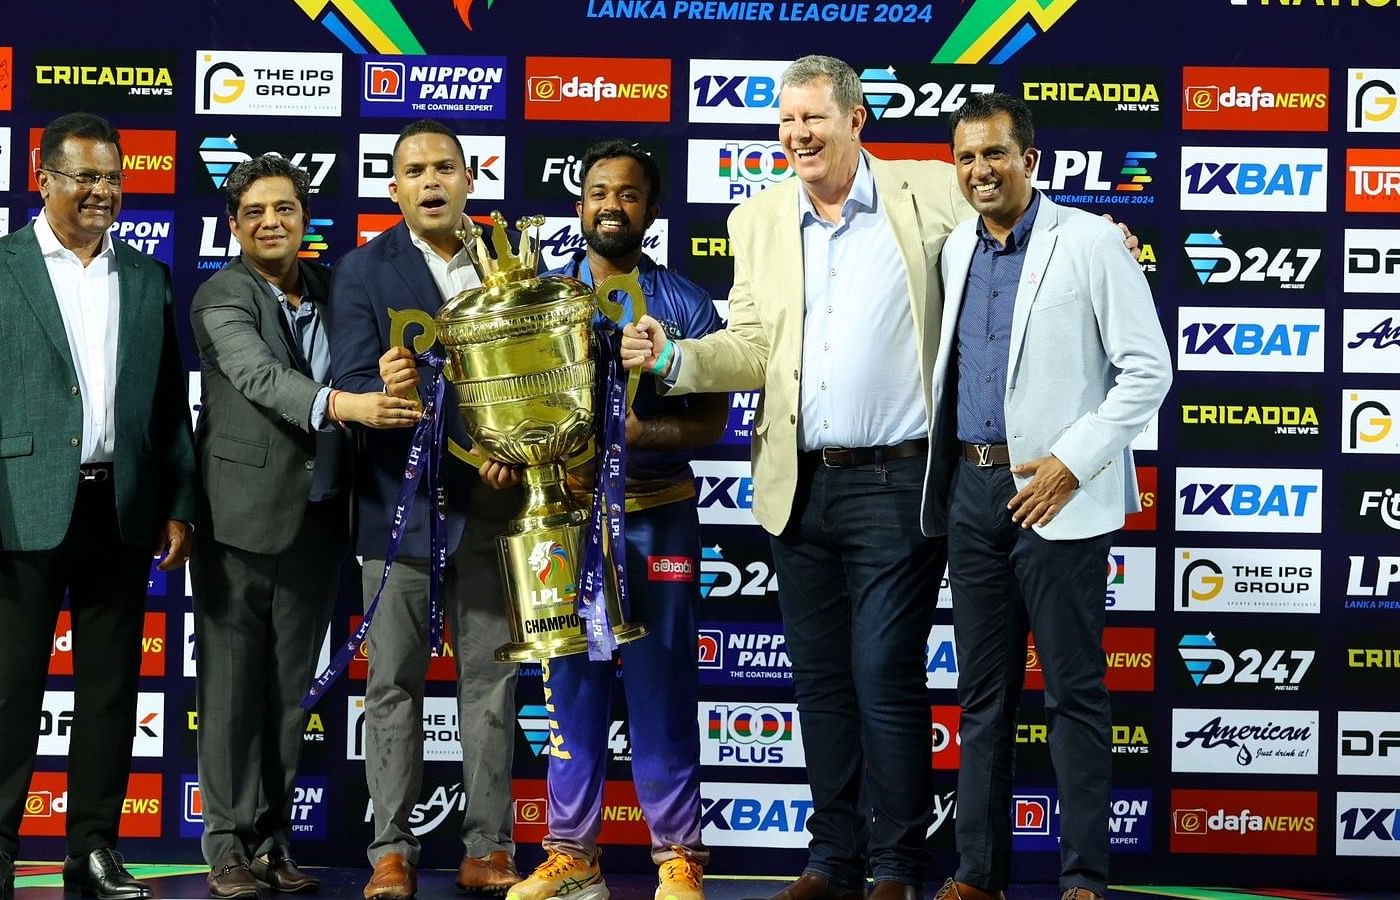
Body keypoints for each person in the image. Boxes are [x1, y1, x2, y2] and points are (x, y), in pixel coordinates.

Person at [623, 55, 969, 900]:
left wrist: (1103, 234)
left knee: (884, 670)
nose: (796, 136)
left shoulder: (929, 190)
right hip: (796, 483)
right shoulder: (760, 218)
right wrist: (675, 355)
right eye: (786, 122)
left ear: (858, 122)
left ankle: (895, 864)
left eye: (814, 119)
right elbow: (749, 347)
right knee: (818, 680)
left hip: (900, 479)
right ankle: (832, 859)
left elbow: (1018, 216)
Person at [0, 112, 196, 900]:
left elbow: (166, 409)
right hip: (17, 511)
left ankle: (93, 847)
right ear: (41, 179)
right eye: (84, 176)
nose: (101, 191)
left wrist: (177, 503)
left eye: (112, 177)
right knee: (8, 687)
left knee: (110, 689)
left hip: (122, 509)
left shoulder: (147, 276)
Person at [921, 93, 1170, 900]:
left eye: (994, 154)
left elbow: (1149, 371)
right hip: (971, 488)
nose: (979, 171)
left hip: (1058, 493)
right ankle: (977, 876)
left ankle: (1083, 878)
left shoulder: (1094, 241)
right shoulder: (956, 247)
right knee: (983, 699)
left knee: (1074, 694)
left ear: (1030, 158)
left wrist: (1073, 460)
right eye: (965, 158)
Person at [499, 141, 727, 900]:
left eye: (628, 195)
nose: (611, 206)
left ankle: (677, 855)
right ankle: (573, 855)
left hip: (659, 518)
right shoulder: (544, 299)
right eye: (598, 192)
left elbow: (711, 426)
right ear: (579, 206)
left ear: (650, 211)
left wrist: (638, 437)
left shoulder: (687, 303)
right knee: (570, 684)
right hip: (564, 526)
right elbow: (511, 410)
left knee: (664, 684)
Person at [190, 153, 420, 899]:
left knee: (288, 695)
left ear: (304, 219)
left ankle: (270, 841)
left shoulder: (333, 286)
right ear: (235, 225)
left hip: (322, 518)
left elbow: (366, 363)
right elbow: (260, 377)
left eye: (284, 208)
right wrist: (348, 407)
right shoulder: (222, 294)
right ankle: (225, 846)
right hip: (237, 523)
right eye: (255, 212)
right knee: (231, 692)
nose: (270, 222)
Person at [330, 119, 522, 900]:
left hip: (495, 500)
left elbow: (533, 376)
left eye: (445, 167)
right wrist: (386, 390)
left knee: (491, 682)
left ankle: (488, 848)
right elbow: (347, 382)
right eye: (416, 170)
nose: (432, 181)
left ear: (469, 178)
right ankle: (391, 851)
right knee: (393, 684)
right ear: (395, 188)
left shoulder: (506, 263)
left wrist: (524, 444)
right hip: (395, 504)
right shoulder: (362, 271)